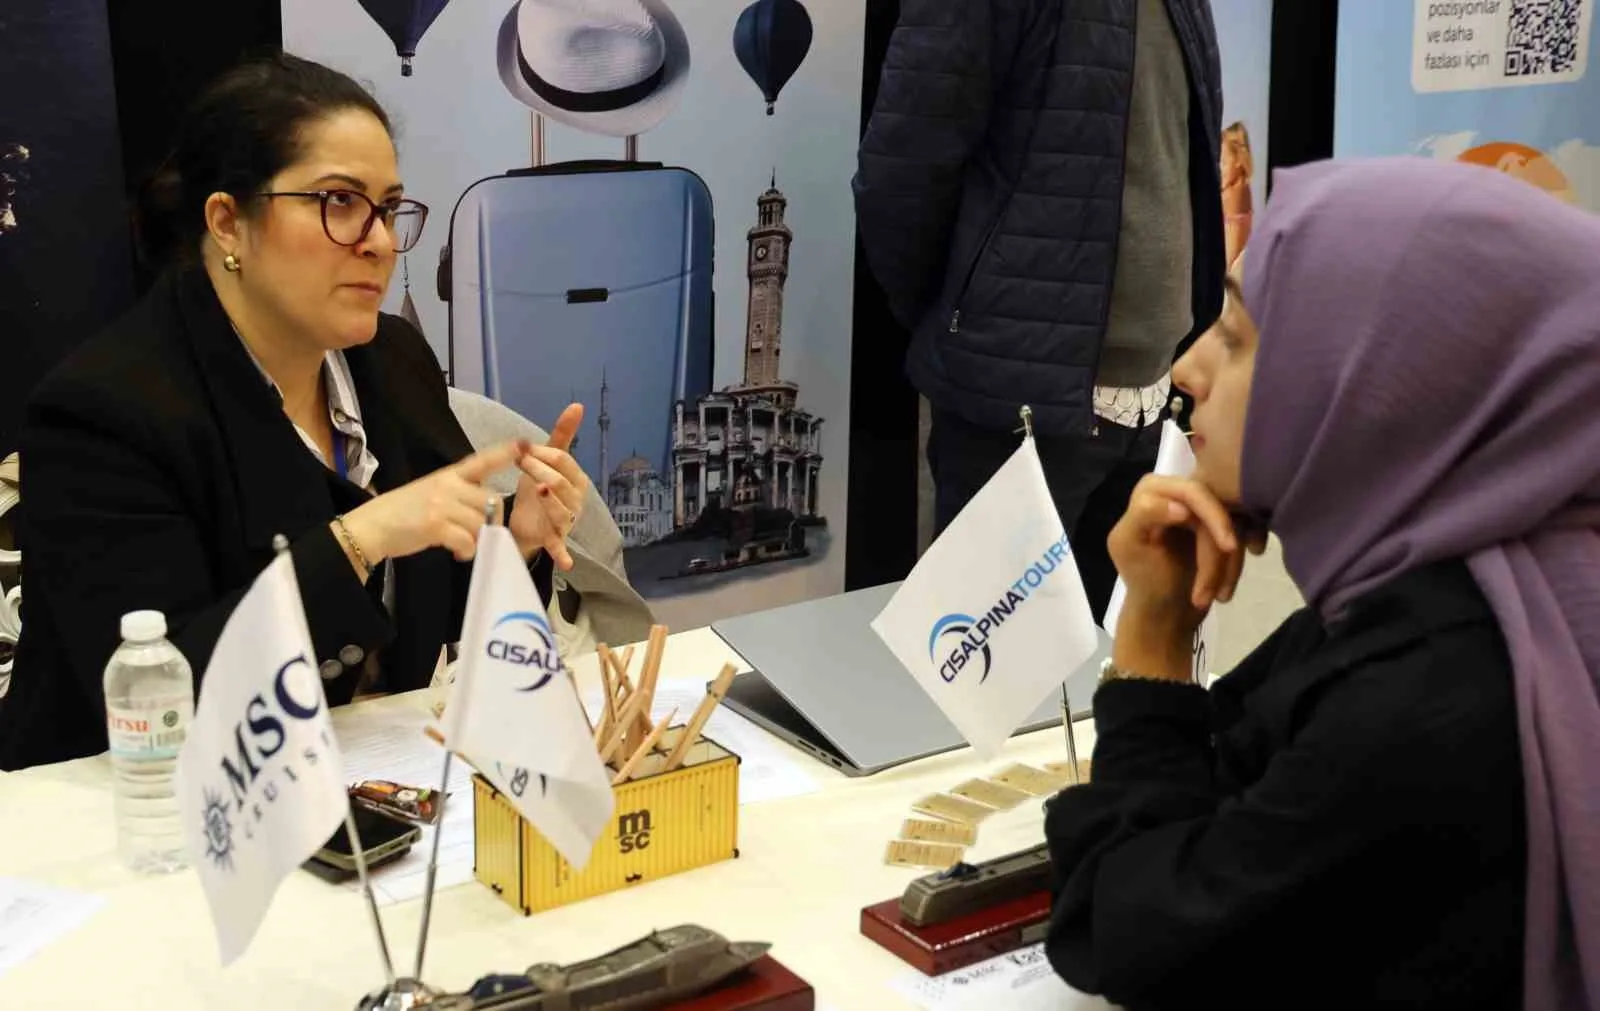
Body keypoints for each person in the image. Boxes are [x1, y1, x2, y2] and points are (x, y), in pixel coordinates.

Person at [1043, 157, 1599, 1010]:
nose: (1188, 369)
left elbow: (1126, 935)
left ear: (1376, 385)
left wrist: (1153, 643)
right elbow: (1234, 783)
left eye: (1235, 337)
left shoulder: (1430, 686)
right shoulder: (1486, 588)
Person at [0, 52, 635, 771]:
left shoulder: (391, 358)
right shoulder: (102, 411)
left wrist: (514, 542)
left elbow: (423, 615)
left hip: (363, 776)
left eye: (387, 209)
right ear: (228, 223)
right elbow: (161, 699)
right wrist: (361, 536)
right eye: (339, 202)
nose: (380, 242)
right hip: (132, 808)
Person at [853, 0, 1225, 620]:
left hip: (1153, 405)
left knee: (1122, 664)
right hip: (1015, 411)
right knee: (987, 670)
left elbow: (1187, 161)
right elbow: (901, 171)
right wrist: (970, 320)